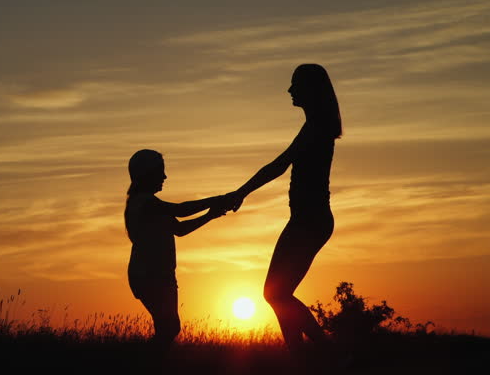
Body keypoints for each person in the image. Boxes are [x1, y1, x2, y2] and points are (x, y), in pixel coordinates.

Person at [225, 64, 342, 356]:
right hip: (306, 219)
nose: (289, 90)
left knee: (275, 293)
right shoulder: (315, 125)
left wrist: (241, 192)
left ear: (311, 89)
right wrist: (240, 192)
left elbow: (280, 164)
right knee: (277, 294)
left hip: (310, 221)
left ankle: (330, 354)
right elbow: (283, 163)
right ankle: (302, 359)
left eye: (295, 84)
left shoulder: (316, 127)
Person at [125, 149, 228, 352]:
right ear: (147, 173)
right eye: (160, 171)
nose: (165, 176)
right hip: (151, 275)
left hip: (155, 275)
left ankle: (149, 370)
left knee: (167, 329)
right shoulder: (145, 202)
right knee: (169, 328)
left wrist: (210, 215)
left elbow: (179, 229)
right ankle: (139, 366)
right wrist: (218, 199)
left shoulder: (147, 204)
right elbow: (181, 210)